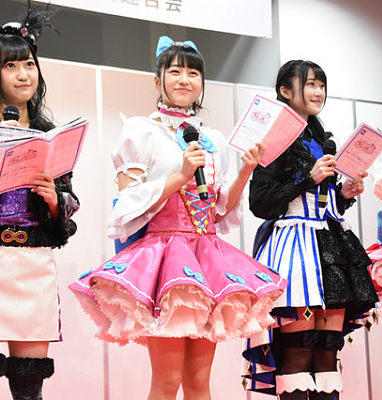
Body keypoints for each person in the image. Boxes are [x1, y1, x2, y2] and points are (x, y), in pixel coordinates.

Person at [69, 36, 286, 400]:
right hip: (165, 257)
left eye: (193, 73)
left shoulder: (213, 138)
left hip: (207, 257)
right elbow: (128, 203)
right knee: (167, 381)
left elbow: (219, 211)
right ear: (158, 80)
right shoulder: (141, 130)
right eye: (175, 72)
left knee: (200, 383)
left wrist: (246, 171)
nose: (185, 79)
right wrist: (181, 175)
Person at [242, 60, 379, 400]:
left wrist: (344, 194)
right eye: (310, 84)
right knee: (298, 352)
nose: (318, 92)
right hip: (294, 252)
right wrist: (308, 179)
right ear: (285, 91)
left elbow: (323, 201)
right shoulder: (273, 137)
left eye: (321, 85)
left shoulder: (322, 139)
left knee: (327, 352)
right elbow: (260, 202)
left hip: (329, 249)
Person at [0, 2, 79, 399]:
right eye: (10, 65)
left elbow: (69, 206)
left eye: (29, 64)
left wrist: (53, 200)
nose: (23, 74)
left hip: (33, 264)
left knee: (29, 387)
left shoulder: (50, 133)